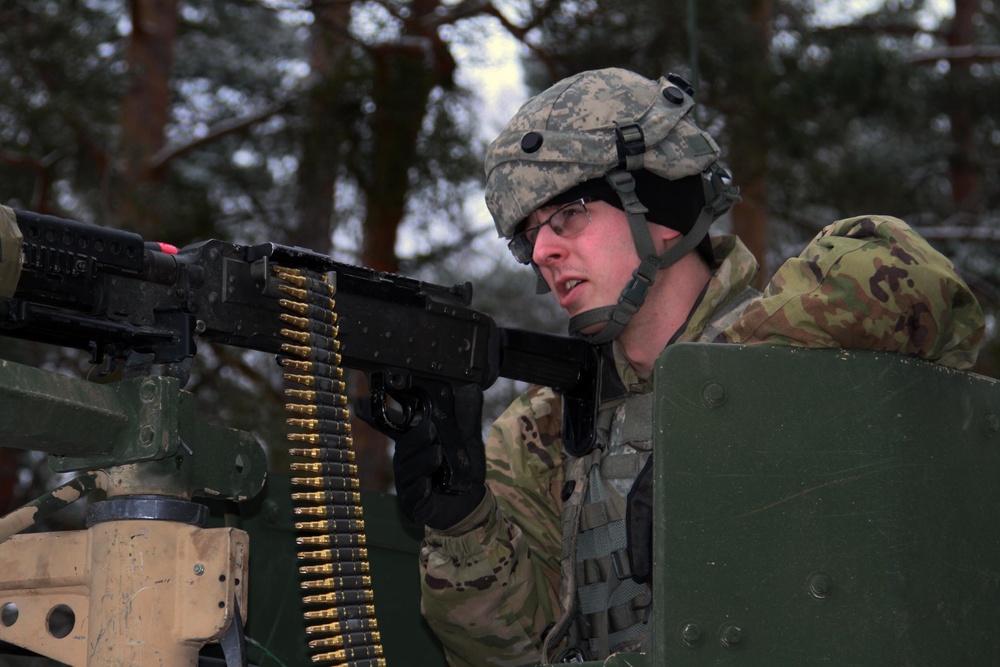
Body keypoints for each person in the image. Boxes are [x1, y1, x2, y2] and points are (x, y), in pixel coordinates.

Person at [375, 68, 985, 666]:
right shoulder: (543, 429)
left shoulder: (806, 342)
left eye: (567, 216)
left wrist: (719, 392)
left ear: (659, 208)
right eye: (530, 236)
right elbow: (509, 653)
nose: (543, 252)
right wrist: (463, 525)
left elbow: (922, 286)